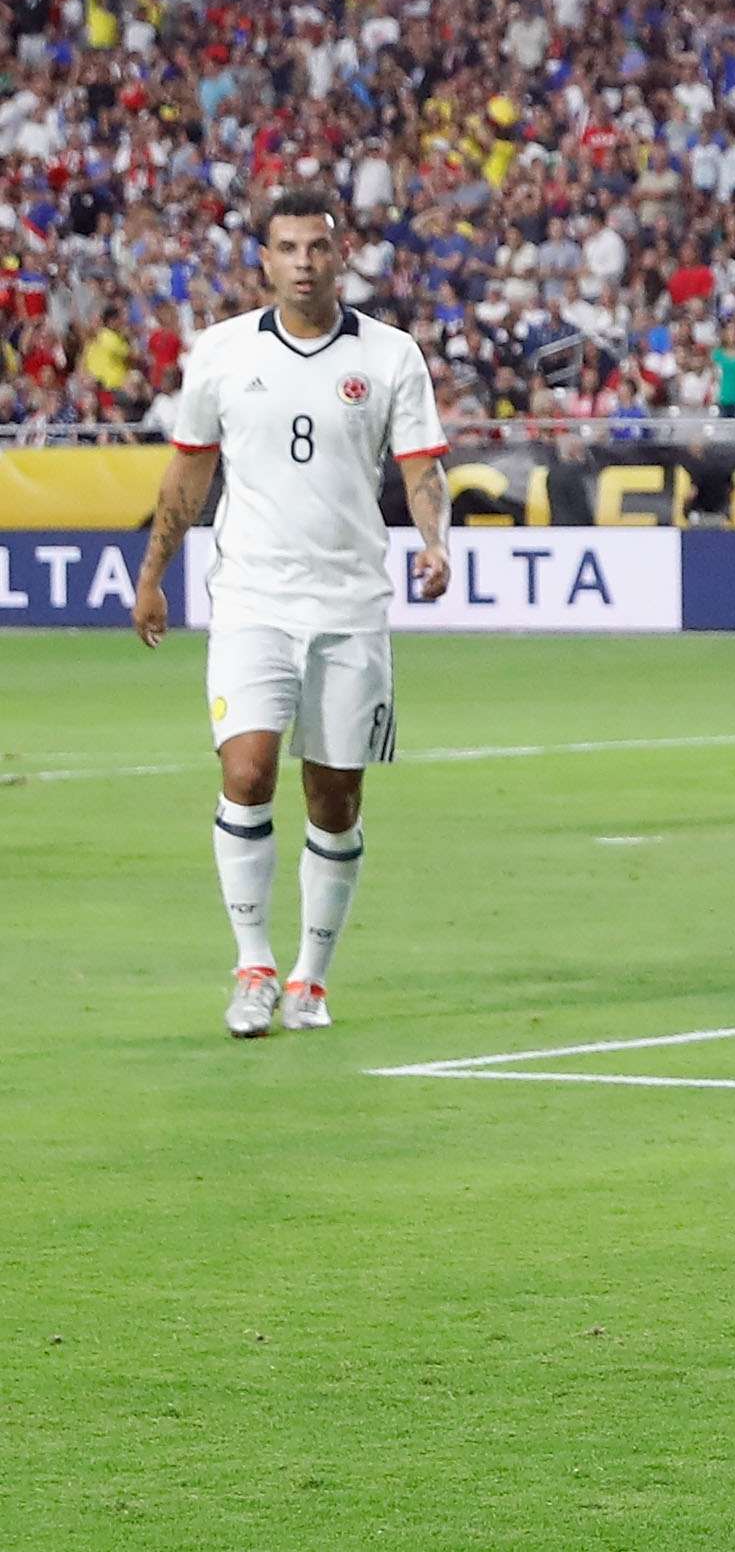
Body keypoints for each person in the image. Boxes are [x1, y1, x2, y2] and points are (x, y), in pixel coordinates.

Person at [130, 187, 451, 1038]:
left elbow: (421, 466)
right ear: (264, 260)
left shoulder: (391, 357)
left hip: (350, 604)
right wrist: (155, 570)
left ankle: (311, 977)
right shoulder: (224, 352)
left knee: (336, 795)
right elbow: (189, 472)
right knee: (247, 772)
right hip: (252, 598)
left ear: (340, 256)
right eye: (287, 247)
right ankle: (253, 967)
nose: (303, 262)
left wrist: (435, 541)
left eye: (318, 246)